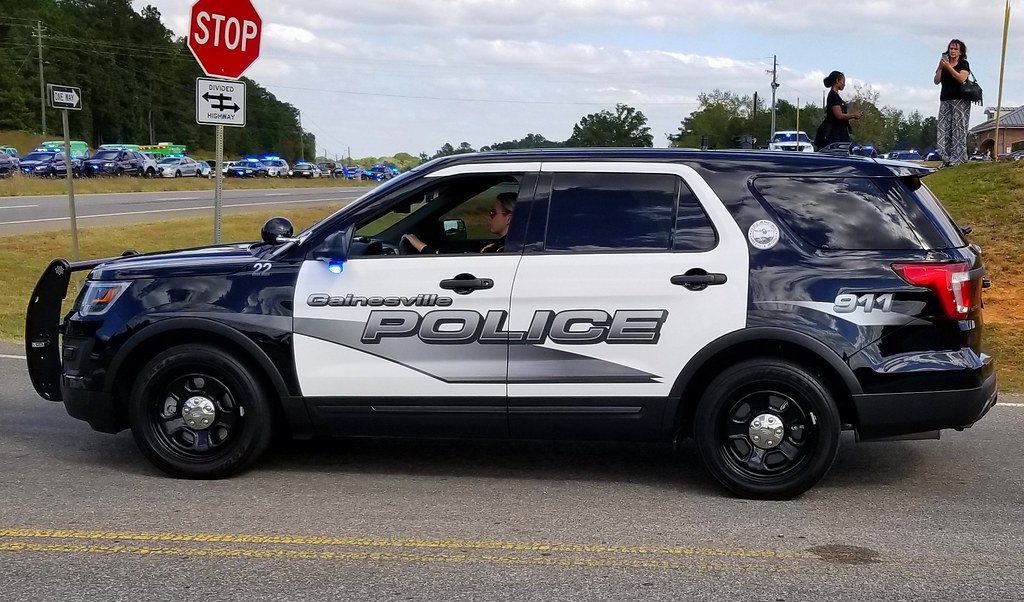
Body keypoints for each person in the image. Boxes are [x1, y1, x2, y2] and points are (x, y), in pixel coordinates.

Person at [403, 192, 516, 254]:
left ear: (509, 218)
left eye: (493, 212)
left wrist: (420, 245)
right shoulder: (510, 246)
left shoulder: (501, 250)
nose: (489, 216)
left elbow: (450, 264)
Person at [934, 39, 972, 167]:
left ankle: (958, 158)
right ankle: (946, 158)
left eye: (956, 49)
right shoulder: (944, 64)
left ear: (961, 52)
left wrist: (949, 67)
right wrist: (940, 68)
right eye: (951, 48)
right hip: (945, 99)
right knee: (944, 129)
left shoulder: (963, 64)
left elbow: (961, 78)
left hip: (960, 100)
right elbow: (936, 80)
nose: (953, 51)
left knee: (958, 129)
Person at [814, 71, 863, 150]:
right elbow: (838, 115)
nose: (844, 84)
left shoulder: (835, 96)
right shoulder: (833, 96)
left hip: (840, 133)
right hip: (834, 135)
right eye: (843, 81)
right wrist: (853, 115)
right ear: (837, 81)